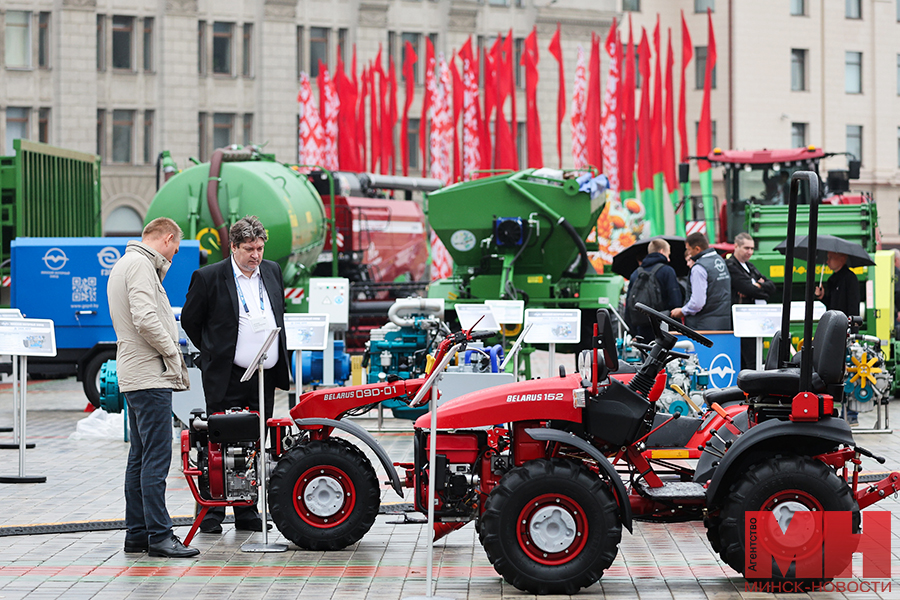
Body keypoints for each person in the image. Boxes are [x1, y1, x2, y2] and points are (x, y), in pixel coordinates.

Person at [181, 216, 290, 534]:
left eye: (259, 248)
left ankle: (246, 510)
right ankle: (212, 510)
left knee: (255, 442)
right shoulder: (209, 277)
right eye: (248, 249)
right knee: (218, 441)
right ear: (233, 247)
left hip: (262, 377)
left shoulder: (271, 271)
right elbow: (191, 320)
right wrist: (213, 352)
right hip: (226, 375)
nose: (255, 255)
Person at [107, 218, 199, 558]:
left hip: (135, 373)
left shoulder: (124, 264)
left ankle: (137, 534)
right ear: (169, 238)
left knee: (140, 457)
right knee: (156, 458)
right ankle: (160, 536)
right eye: (175, 249)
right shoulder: (142, 266)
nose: (173, 256)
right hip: (149, 375)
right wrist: (172, 351)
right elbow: (146, 318)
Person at [727, 233, 777, 369]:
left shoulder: (750, 266)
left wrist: (759, 287)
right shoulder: (731, 265)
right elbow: (748, 288)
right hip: (743, 320)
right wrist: (757, 288)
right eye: (746, 248)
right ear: (736, 246)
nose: (750, 252)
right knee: (751, 359)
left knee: (756, 357)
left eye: (752, 248)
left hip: (757, 319)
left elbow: (772, 287)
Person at [671, 232, 732, 331]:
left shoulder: (699, 268)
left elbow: (697, 303)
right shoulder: (719, 260)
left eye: (689, 249)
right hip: (723, 324)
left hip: (702, 326)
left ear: (697, 249)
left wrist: (682, 311)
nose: (689, 253)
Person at [626, 238, 682, 341]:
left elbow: (629, 306)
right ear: (661, 251)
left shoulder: (635, 274)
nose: (668, 259)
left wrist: (634, 332)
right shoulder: (667, 271)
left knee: (648, 357)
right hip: (664, 329)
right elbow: (675, 302)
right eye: (668, 254)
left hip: (642, 331)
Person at [815, 251, 860, 317]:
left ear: (841, 259)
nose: (827, 261)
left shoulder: (850, 278)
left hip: (845, 322)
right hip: (833, 321)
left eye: (831, 258)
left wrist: (852, 325)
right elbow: (831, 305)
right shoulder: (831, 279)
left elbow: (853, 305)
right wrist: (822, 297)